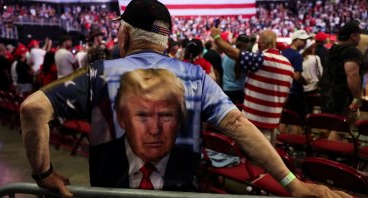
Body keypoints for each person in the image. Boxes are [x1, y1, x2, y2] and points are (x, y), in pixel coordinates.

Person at [20, 0, 352, 197]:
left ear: (123, 34)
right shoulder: (196, 77)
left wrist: (44, 174)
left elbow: (34, 108)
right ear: (165, 40)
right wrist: (293, 184)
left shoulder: (99, 74)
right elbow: (237, 124)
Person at [91, 68, 199, 190]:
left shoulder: (196, 166)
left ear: (180, 119)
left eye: (166, 115)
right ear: (122, 118)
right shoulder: (100, 159)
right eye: (142, 115)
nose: (154, 130)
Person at [211, 28, 294, 145]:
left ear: (261, 44)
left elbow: (233, 53)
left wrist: (217, 38)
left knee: (254, 160)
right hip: (273, 124)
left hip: (254, 125)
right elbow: (286, 98)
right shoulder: (288, 65)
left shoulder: (262, 59)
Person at [319, 22, 363, 140]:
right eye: (359, 35)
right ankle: (331, 155)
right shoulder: (351, 51)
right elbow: (352, 75)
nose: (360, 38)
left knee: (328, 126)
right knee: (341, 128)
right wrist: (357, 98)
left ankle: (322, 154)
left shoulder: (331, 50)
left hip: (327, 95)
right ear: (353, 36)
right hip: (342, 98)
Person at [281, 30, 311, 134]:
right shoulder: (297, 56)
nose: (304, 43)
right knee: (296, 120)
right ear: (295, 40)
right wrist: (305, 81)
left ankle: (281, 142)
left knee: (284, 118)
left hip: (283, 90)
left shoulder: (283, 52)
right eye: (302, 40)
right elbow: (297, 76)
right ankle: (295, 145)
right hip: (295, 92)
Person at [222, 34, 250, 104]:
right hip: (241, 91)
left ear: (236, 42)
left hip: (227, 89)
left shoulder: (225, 55)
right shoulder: (247, 58)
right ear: (247, 45)